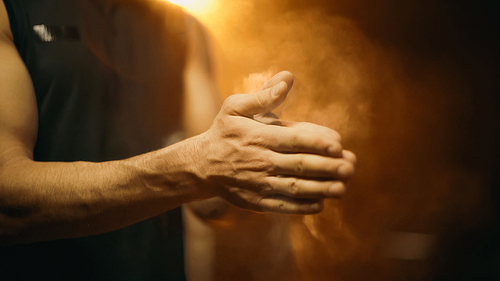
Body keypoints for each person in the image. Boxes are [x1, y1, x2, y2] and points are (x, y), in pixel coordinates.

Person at [0, 0, 356, 280]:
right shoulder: (10, 8)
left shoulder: (184, 29)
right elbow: (6, 202)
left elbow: (210, 201)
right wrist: (198, 165)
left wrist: (254, 153)